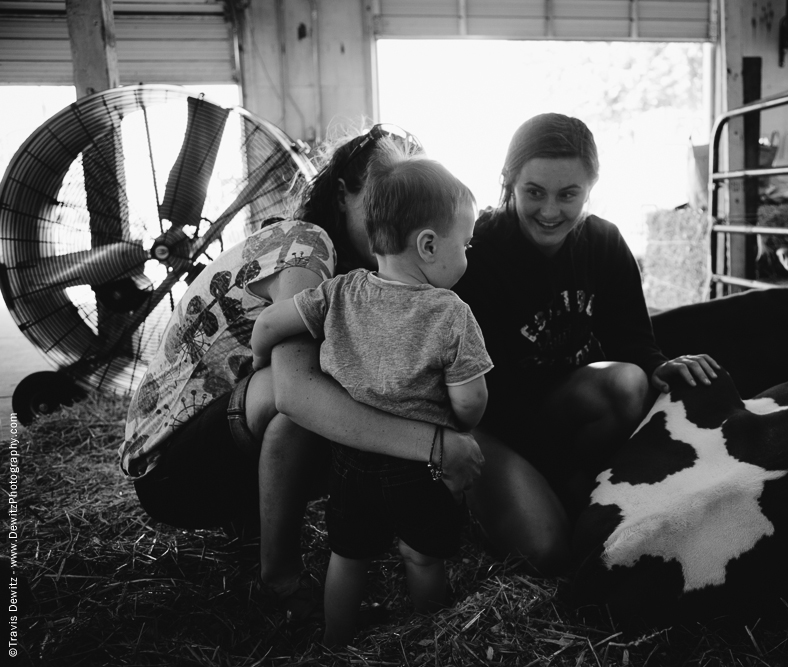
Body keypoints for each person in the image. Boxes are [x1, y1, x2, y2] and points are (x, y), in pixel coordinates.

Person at [117, 124, 485, 622]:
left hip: (220, 444)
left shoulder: (370, 285)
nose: (396, 207)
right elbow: (292, 395)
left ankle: (267, 531)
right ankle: (281, 582)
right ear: (344, 193)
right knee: (312, 397)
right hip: (171, 471)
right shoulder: (308, 246)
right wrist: (435, 446)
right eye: (385, 192)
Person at [453, 113, 719, 574]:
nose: (551, 211)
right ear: (509, 182)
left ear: (590, 189)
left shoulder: (605, 243)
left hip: (565, 418)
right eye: (534, 192)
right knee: (547, 555)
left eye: (568, 194)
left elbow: (635, 341)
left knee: (628, 382)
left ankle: (571, 481)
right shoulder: (475, 251)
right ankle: (530, 490)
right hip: (493, 425)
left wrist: (660, 367)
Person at [250, 142, 492, 645]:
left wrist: (258, 360)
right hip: (416, 466)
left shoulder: (341, 290)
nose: (468, 255)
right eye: (465, 244)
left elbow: (270, 323)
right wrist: (462, 421)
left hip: (350, 461)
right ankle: (432, 632)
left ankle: (336, 639)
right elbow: (470, 404)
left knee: (348, 556)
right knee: (422, 554)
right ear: (428, 245)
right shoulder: (451, 314)